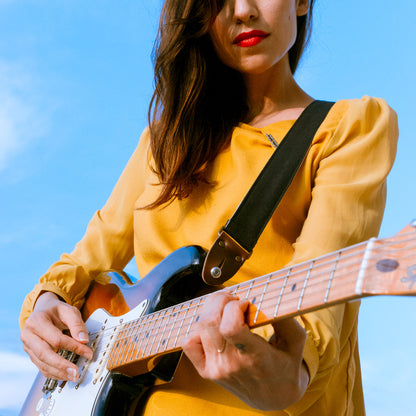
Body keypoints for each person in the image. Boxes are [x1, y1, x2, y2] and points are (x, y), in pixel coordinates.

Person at [19, 0, 398, 415]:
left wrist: (291, 372)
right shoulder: (161, 143)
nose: (242, 11)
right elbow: (82, 264)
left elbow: (319, 319)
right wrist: (45, 304)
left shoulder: (347, 127)